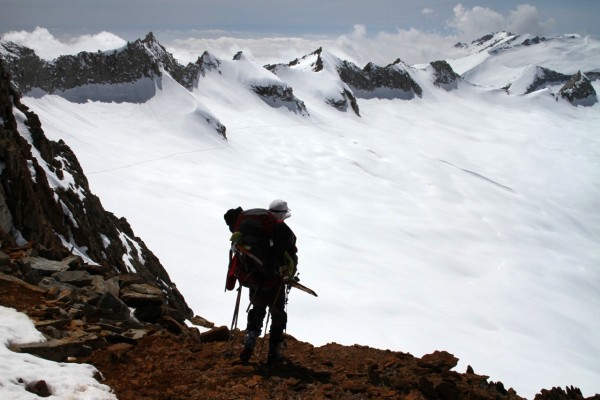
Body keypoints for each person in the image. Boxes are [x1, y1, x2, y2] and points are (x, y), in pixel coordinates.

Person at [238, 199, 298, 364]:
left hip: (254, 278)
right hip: (275, 281)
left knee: (257, 310)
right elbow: (290, 255)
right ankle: (274, 354)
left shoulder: (256, 228)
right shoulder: (284, 232)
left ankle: (249, 343)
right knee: (278, 315)